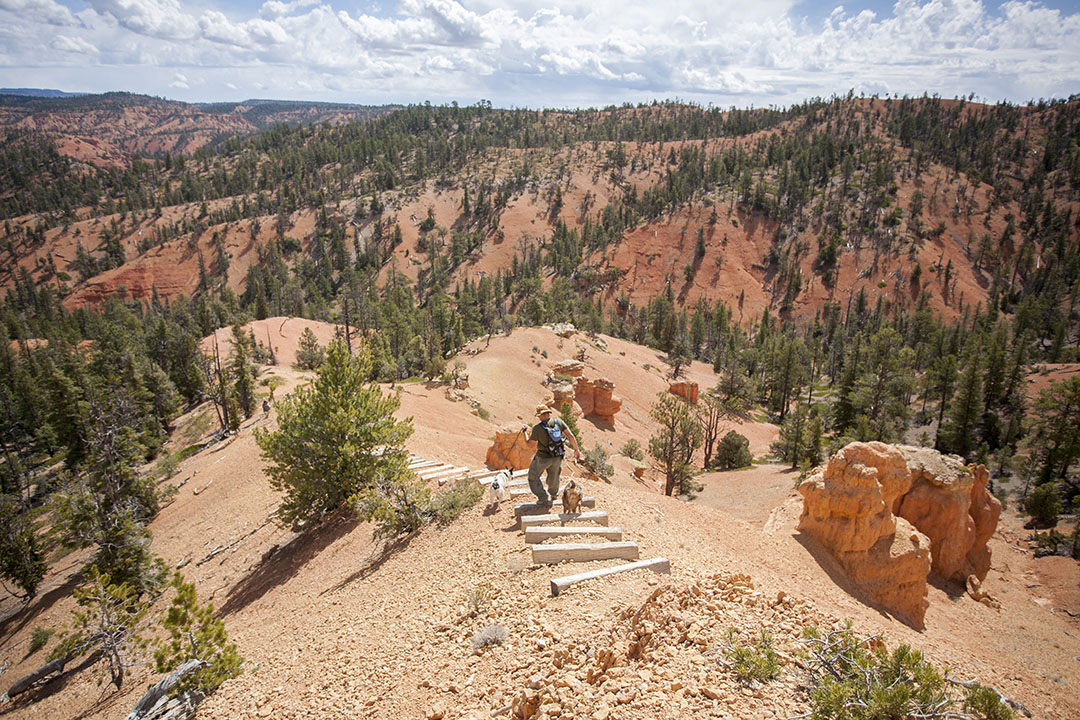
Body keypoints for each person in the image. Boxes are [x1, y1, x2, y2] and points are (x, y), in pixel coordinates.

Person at [523, 404, 581, 507]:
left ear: (540, 415)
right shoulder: (558, 422)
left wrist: (525, 433)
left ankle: (542, 498)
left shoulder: (537, 428)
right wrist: (576, 449)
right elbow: (570, 435)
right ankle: (554, 495)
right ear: (548, 413)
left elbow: (530, 445)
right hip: (557, 456)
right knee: (554, 476)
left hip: (542, 458)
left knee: (533, 477)